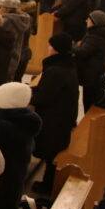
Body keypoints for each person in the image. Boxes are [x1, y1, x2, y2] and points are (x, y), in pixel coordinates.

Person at [31, 33, 80, 194]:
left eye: (50, 45)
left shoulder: (56, 71)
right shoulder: (67, 65)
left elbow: (43, 97)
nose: (48, 48)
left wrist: (28, 95)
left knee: (51, 152)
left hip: (55, 118)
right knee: (52, 151)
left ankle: (48, 186)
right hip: (62, 116)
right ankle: (48, 183)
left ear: (56, 49)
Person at [74, 10, 105, 109]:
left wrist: (72, 47)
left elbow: (83, 52)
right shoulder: (100, 34)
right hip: (96, 72)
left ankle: (89, 117)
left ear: (94, 22)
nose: (86, 20)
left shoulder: (95, 37)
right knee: (92, 98)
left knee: (89, 101)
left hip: (91, 74)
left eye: (89, 19)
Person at [0, 0, 32, 82]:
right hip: (23, 55)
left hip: (10, 58)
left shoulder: (6, 21)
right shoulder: (24, 19)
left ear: (7, 8)